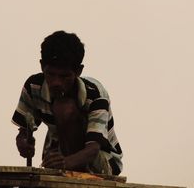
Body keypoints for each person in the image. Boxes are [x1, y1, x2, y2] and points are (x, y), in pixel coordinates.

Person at [11, 30, 123, 175]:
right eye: (51, 74)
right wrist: (23, 141)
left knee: (64, 107)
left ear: (78, 71)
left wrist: (66, 163)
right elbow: (24, 130)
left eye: (64, 76)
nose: (56, 83)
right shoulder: (34, 87)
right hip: (57, 157)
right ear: (42, 66)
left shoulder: (95, 95)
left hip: (102, 163)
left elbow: (93, 149)